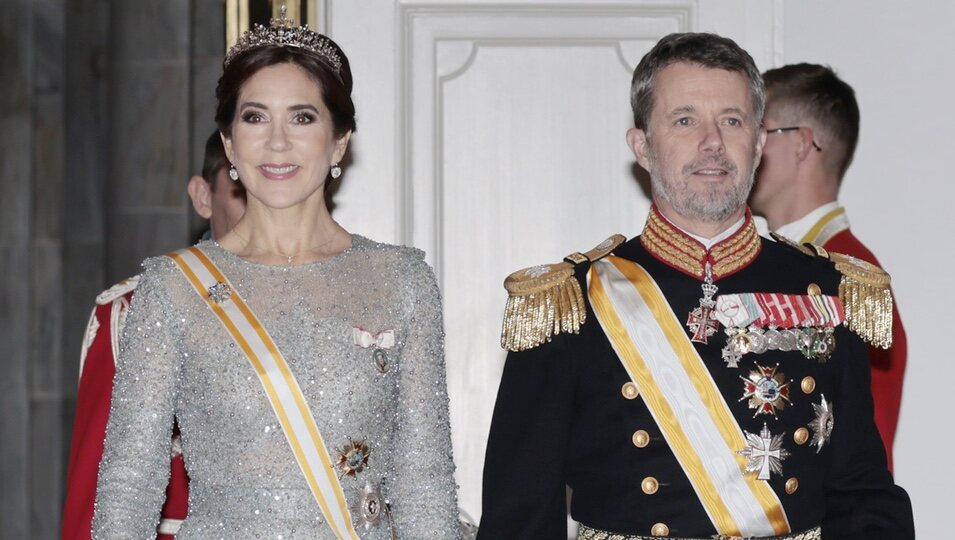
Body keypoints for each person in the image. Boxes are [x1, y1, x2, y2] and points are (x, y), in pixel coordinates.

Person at [479, 33, 913, 539]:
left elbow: (862, 495)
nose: (712, 142)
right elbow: (520, 515)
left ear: (757, 144)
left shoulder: (829, 289)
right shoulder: (569, 301)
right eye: (685, 120)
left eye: (732, 121)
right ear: (642, 145)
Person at [91, 8, 461, 539]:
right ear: (229, 143)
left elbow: (425, 485)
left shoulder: (401, 281)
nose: (278, 142)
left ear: (339, 141)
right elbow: (127, 491)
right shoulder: (173, 288)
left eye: (303, 117)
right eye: (256, 117)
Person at [62, 131, 244, 540]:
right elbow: (94, 504)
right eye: (240, 188)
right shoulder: (136, 311)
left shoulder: (337, 308)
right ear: (203, 196)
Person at [750, 63, 906, 470]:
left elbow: (865, 459)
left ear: (802, 143)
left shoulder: (849, 279)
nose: (740, 145)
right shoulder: (789, 266)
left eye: (757, 129)